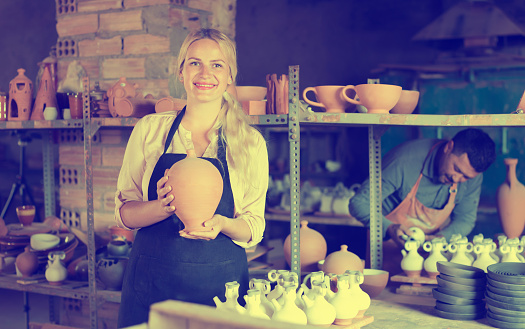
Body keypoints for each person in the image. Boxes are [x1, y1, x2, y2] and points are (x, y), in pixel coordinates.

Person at [114, 28, 268, 327]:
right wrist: (161, 207)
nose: (205, 73)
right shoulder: (150, 131)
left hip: (221, 291)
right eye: (195, 63)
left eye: (217, 65)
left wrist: (222, 224)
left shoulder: (250, 143)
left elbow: (254, 227)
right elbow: (125, 215)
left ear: (229, 76)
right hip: (152, 289)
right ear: (181, 72)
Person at [349, 128, 496, 253]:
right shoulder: (404, 161)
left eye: (466, 177)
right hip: (386, 248)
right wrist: (390, 228)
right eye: (456, 169)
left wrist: (442, 238)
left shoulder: (473, 176)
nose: (457, 179)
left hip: (431, 252)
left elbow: (465, 220)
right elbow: (359, 203)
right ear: (449, 147)